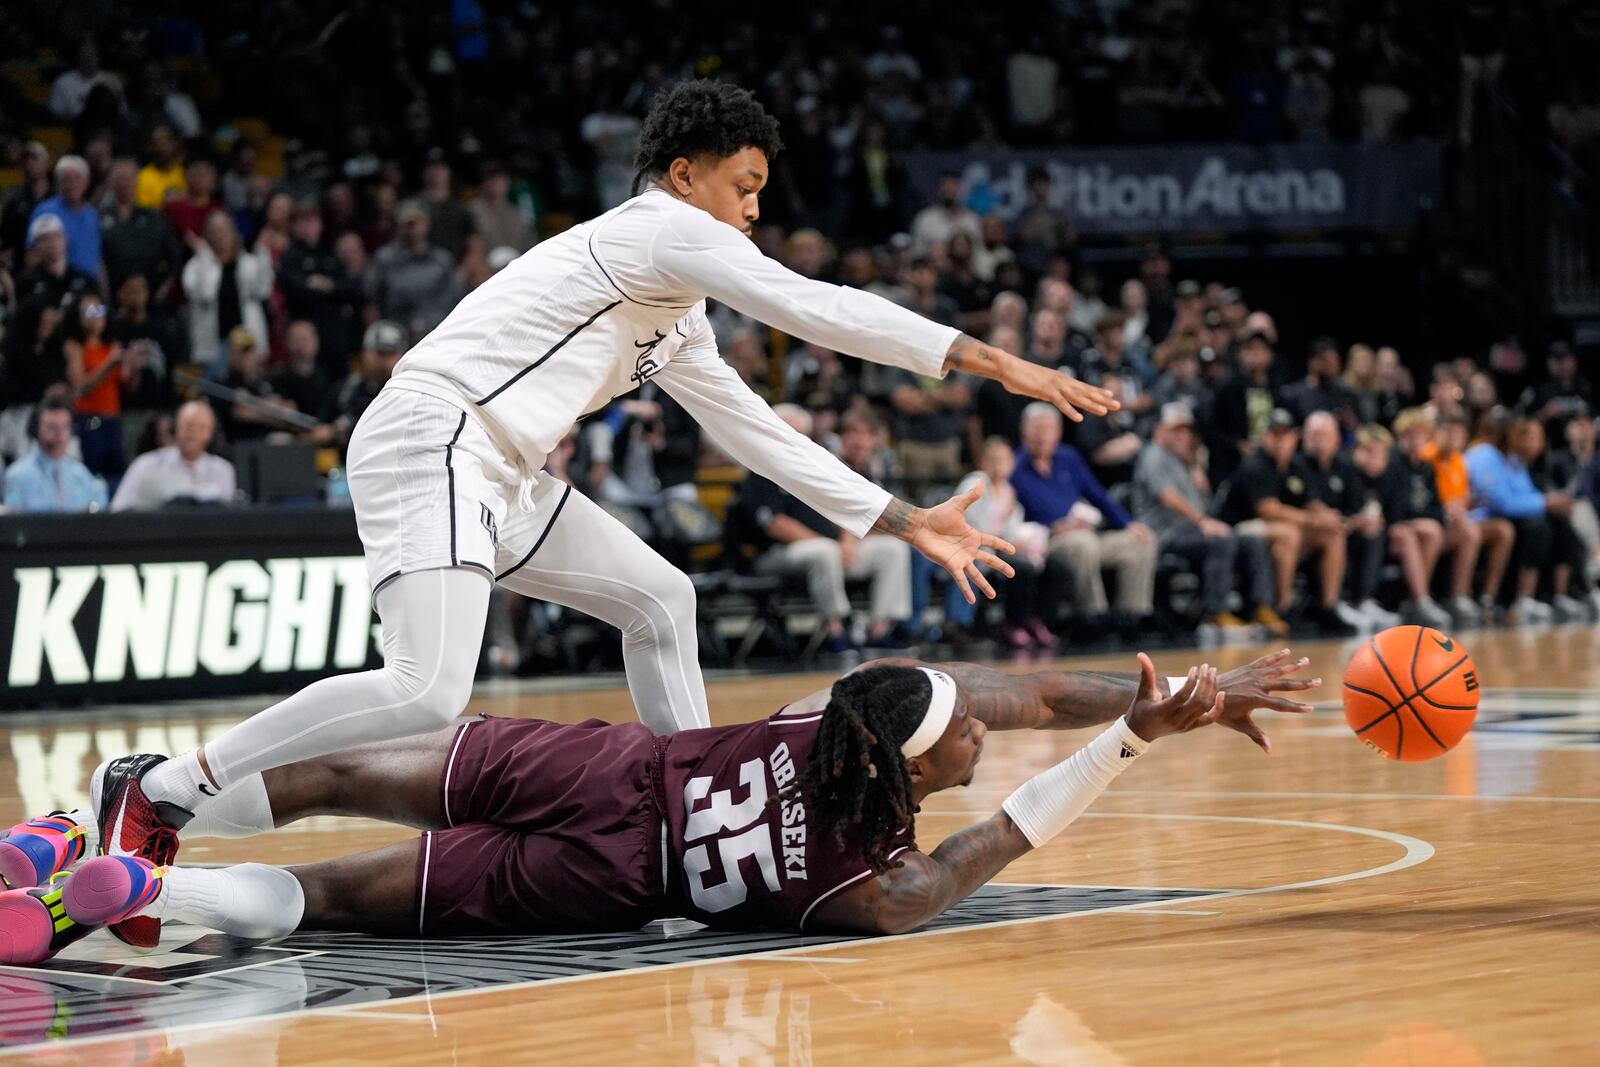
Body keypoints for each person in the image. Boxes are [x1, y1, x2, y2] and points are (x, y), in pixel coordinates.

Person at [88, 82, 1113, 913]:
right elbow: (815, 307)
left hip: (505, 468)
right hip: (438, 430)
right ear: (683, 174)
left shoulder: (677, 307)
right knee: (425, 687)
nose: (755, 210)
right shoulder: (658, 232)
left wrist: (897, 515)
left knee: (663, 600)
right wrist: (990, 361)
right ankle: (162, 788)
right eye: (744, 186)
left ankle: (687, 802)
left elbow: (750, 426)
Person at [0, 650, 1318, 960]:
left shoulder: (828, 711)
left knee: (343, 768)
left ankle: (130, 809)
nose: (988, 719)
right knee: (337, 900)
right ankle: (155, 888)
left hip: (600, 768)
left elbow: (1022, 699)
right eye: (962, 722)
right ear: (917, 763)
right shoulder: (872, 885)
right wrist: (1144, 726)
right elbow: (1017, 819)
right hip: (619, 875)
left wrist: (1162, 691)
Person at [739, 405, 916, 654]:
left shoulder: (813, 466)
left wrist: (848, 542)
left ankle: (879, 631)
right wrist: (833, 546)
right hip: (776, 554)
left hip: (832, 550)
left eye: (798, 432)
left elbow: (843, 508)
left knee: (892, 549)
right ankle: (836, 629)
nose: (790, 436)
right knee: (824, 551)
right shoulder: (760, 469)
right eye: (785, 429)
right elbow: (775, 524)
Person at [1134, 403, 1283, 635]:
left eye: (1186, 431)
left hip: (1192, 531)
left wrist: (1196, 469)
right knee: (1221, 541)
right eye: (1176, 431)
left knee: (1251, 542)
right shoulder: (1154, 455)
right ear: (1159, 431)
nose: (1183, 436)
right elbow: (1169, 498)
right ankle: (1216, 613)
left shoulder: (1185, 462)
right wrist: (1202, 521)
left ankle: (1259, 607)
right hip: (1164, 535)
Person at [1012, 403, 1157, 632]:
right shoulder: (1013, 467)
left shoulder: (1068, 457)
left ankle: (1132, 615)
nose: (1042, 436)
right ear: (1024, 433)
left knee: (1139, 542)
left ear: (1058, 433)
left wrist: (1129, 523)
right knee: (1082, 543)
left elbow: (1098, 494)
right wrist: (1052, 527)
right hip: (1046, 541)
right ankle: (1092, 616)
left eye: (1048, 429)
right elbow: (1010, 518)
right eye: (1037, 429)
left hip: (1085, 533)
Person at [1215, 409, 1355, 636]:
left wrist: (1330, 518)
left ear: (1295, 438)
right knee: (1289, 533)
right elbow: (1268, 510)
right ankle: (1282, 607)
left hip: (1278, 529)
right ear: (1265, 437)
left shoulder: (1295, 465)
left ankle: (1329, 605)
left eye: (1286, 435)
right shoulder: (1255, 464)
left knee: (1332, 533)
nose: (1280, 441)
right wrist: (1312, 520)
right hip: (1239, 527)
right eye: (1275, 435)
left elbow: (1311, 502)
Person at [1465, 410, 1584, 623]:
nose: (1523, 438)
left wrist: (1552, 501)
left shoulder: (1510, 459)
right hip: (1481, 518)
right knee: (1536, 527)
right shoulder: (1483, 453)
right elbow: (1502, 503)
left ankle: (1560, 595)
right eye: (1519, 432)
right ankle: (1516, 599)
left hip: (1505, 516)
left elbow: (1526, 493)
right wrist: (1545, 502)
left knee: (1560, 523)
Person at [947, 437, 1064, 648]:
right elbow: (968, 526)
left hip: (997, 547)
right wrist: (1006, 540)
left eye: (1003, 460)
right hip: (972, 548)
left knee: (1055, 567)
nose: (998, 465)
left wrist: (1022, 542)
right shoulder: (976, 482)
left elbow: (1011, 528)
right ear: (982, 462)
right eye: (993, 460)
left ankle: (1038, 621)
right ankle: (1013, 624)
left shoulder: (1009, 491)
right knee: (1021, 569)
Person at [1349, 424, 1453, 629]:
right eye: (1369, 451)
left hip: (1386, 532)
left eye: (1380, 452)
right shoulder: (1349, 471)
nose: (1376, 457)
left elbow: (1397, 510)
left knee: (1426, 531)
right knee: (1401, 534)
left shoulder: (1392, 472)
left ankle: (1418, 600)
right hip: (1356, 532)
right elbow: (1344, 509)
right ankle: (1415, 599)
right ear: (1357, 452)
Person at [1301, 411, 1395, 630]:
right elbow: (1311, 507)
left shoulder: (1344, 466)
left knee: (1372, 532)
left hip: (1342, 527)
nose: (1320, 440)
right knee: (1334, 534)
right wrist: (1345, 522)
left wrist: (1359, 520)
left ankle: (1364, 601)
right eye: (1315, 435)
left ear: (1336, 438)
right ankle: (1331, 605)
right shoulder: (1299, 465)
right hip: (1312, 531)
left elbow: (1356, 506)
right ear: (1305, 438)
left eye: (1326, 435)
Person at [1418, 412, 1514, 622]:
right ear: (1437, 434)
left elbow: (1461, 499)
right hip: (1436, 521)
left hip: (1459, 521)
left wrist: (1468, 504)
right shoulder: (1426, 457)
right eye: (1449, 432)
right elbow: (1426, 498)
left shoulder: (1459, 461)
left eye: (1459, 434)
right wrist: (1449, 509)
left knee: (1503, 529)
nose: (1454, 438)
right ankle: (1448, 597)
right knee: (1468, 532)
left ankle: (1487, 597)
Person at [183, 211, 274, 376]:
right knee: (218, 395)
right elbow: (204, 294)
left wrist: (263, 252)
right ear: (207, 235)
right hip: (214, 345)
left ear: (233, 232)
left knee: (249, 393)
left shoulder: (248, 262)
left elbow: (263, 290)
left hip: (247, 341)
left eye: (224, 229)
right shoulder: (196, 266)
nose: (220, 235)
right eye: (214, 231)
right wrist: (204, 257)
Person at [365, 200, 464, 340]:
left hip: (438, 335)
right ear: (399, 226)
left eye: (418, 222)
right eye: (408, 224)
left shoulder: (442, 259)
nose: (413, 229)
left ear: (427, 225)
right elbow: (371, 304)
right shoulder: (385, 259)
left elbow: (456, 299)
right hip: (397, 336)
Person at [110, 401, 235, 510]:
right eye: (189, 426)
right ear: (175, 428)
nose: (193, 434)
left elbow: (226, 520)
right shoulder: (145, 465)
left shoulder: (223, 470)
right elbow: (118, 509)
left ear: (210, 434)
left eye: (202, 428)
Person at [61, 292, 128, 478]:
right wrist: (108, 364)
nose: (96, 315)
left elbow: (126, 385)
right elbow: (79, 386)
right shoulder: (75, 346)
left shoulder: (111, 346)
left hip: (113, 419)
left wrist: (133, 365)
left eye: (99, 309)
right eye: (89, 311)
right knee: (90, 474)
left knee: (116, 475)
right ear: (78, 317)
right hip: (88, 420)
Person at [3, 396, 108, 513]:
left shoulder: (81, 474)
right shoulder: (17, 476)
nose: (59, 435)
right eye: (51, 428)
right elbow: (13, 524)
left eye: (64, 427)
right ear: (35, 430)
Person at [28, 155, 101, 279]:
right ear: (58, 183)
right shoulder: (45, 211)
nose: (71, 184)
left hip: (88, 287)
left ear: (87, 183)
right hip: (58, 287)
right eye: (66, 179)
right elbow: (32, 256)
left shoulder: (92, 215)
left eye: (77, 178)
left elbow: (97, 258)